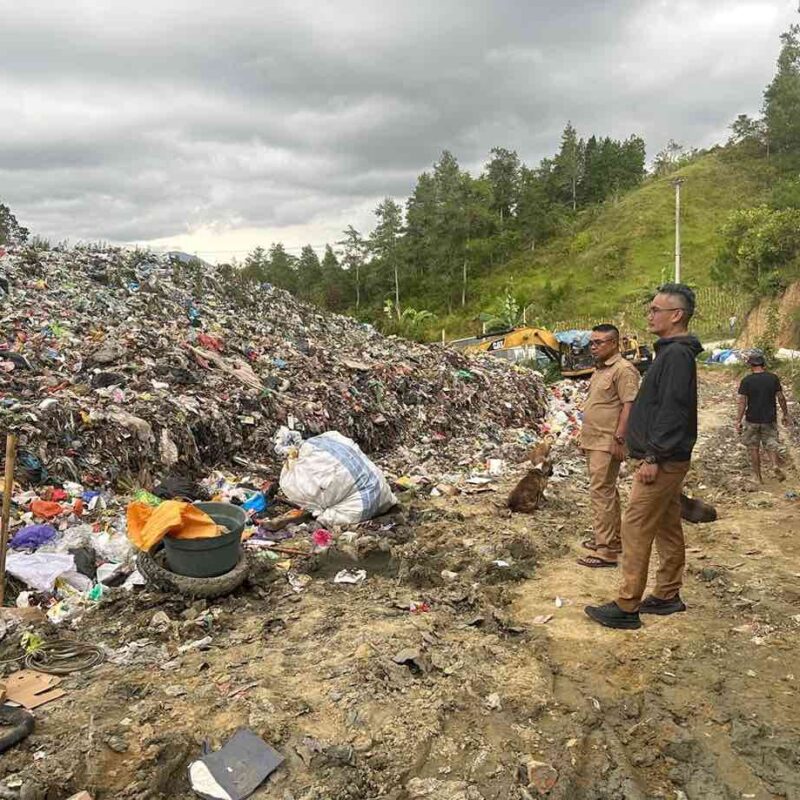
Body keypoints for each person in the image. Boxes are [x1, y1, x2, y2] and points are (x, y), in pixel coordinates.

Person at [585, 283, 703, 630]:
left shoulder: (677, 356)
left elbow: (672, 411)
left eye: (656, 310)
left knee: (635, 525)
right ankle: (667, 594)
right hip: (665, 456)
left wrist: (652, 456)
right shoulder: (671, 352)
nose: (649, 315)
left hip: (662, 460)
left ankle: (626, 605)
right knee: (667, 525)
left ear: (676, 315)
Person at [578, 324, 640, 568]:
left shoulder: (623, 370)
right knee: (607, 492)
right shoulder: (600, 370)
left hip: (608, 441)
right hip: (595, 440)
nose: (593, 347)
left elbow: (629, 406)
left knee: (600, 493)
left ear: (614, 343)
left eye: (599, 342)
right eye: (591, 343)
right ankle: (612, 540)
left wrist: (619, 439)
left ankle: (605, 551)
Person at [736, 353, 790, 482]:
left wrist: (738, 420)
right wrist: (785, 414)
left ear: (751, 366)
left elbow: (743, 402)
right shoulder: (773, 378)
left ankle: (758, 477)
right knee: (771, 443)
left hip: (752, 419)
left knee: (753, 447)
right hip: (769, 419)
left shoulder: (746, 380)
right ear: (763, 365)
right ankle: (775, 465)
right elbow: (781, 397)